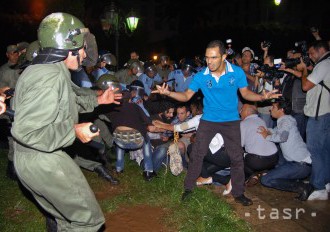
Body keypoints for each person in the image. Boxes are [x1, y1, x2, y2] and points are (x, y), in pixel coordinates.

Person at [11, 12, 122, 231]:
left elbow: (70, 99)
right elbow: (26, 131)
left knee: (64, 220)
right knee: (88, 220)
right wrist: (73, 131)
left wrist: (99, 98)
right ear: (69, 45)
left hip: (35, 157)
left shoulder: (49, 69)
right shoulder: (49, 76)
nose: (84, 52)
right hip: (42, 158)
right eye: (82, 47)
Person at [152, 40, 281, 206]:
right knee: (197, 154)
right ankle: (188, 188)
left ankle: (238, 193)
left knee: (236, 158)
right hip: (209, 120)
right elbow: (185, 96)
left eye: (213, 58)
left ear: (224, 56)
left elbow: (246, 94)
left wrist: (262, 97)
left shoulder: (236, 72)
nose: (209, 62)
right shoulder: (201, 76)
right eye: (207, 58)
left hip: (231, 121)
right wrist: (169, 93)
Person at [259, 99, 313, 201]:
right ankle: (295, 179)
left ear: (282, 110)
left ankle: (302, 187)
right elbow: (275, 131)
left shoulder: (285, 121)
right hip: (299, 164)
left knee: (266, 180)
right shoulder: (285, 120)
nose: (271, 109)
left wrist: (267, 136)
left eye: (274, 107)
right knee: (276, 157)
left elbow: (283, 137)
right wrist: (266, 131)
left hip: (300, 165)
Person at [300, 40, 330, 200]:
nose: (310, 57)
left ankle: (318, 187)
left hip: (319, 114)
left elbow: (305, 86)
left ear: (320, 50)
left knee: (315, 150)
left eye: (312, 53)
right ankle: (326, 182)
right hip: (327, 113)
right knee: (325, 150)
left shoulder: (323, 65)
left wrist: (304, 70)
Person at [240, 103, 279, 186]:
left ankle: (249, 176)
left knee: (237, 155)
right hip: (274, 158)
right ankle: (264, 171)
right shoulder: (261, 120)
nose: (240, 112)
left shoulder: (243, 124)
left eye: (241, 110)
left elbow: (241, 144)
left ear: (247, 112)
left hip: (258, 160)